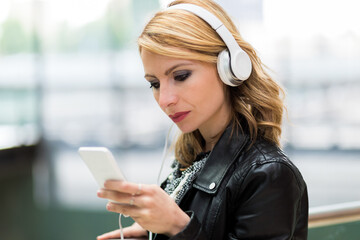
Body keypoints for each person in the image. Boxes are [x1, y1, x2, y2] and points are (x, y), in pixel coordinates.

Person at [96, 0, 308, 239]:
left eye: (181, 75)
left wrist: (178, 227)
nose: (165, 99)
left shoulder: (269, 173)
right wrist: (152, 234)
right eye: (154, 84)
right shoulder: (193, 158)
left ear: (229, 67)